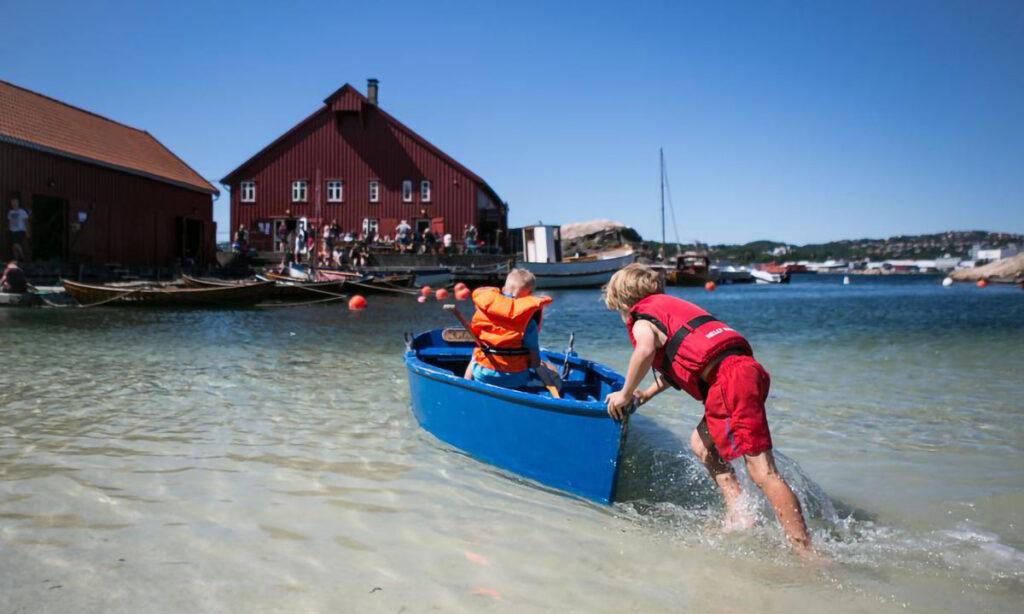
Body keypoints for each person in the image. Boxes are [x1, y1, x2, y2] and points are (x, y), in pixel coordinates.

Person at [602, 263, 813, 555]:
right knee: (701, 445)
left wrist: (624, 394)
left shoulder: (641, 318)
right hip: (744, 372)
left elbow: (645, 350)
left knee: (763, 472)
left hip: (730, 380)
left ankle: (808, 553)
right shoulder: (671, 308)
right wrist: (646, 393)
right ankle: (740, 513)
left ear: (624, 300)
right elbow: (684, 357)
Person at [462, 268, 560, 392]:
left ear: (503, 289)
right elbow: (534, 358)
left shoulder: (483, 312)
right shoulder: (528, 322)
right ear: (529, 295)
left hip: (483, 374)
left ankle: (465, 386)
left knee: (476, 353)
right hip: (515, 378)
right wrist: (537, 366)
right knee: (538, 364)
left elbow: (476, 336)